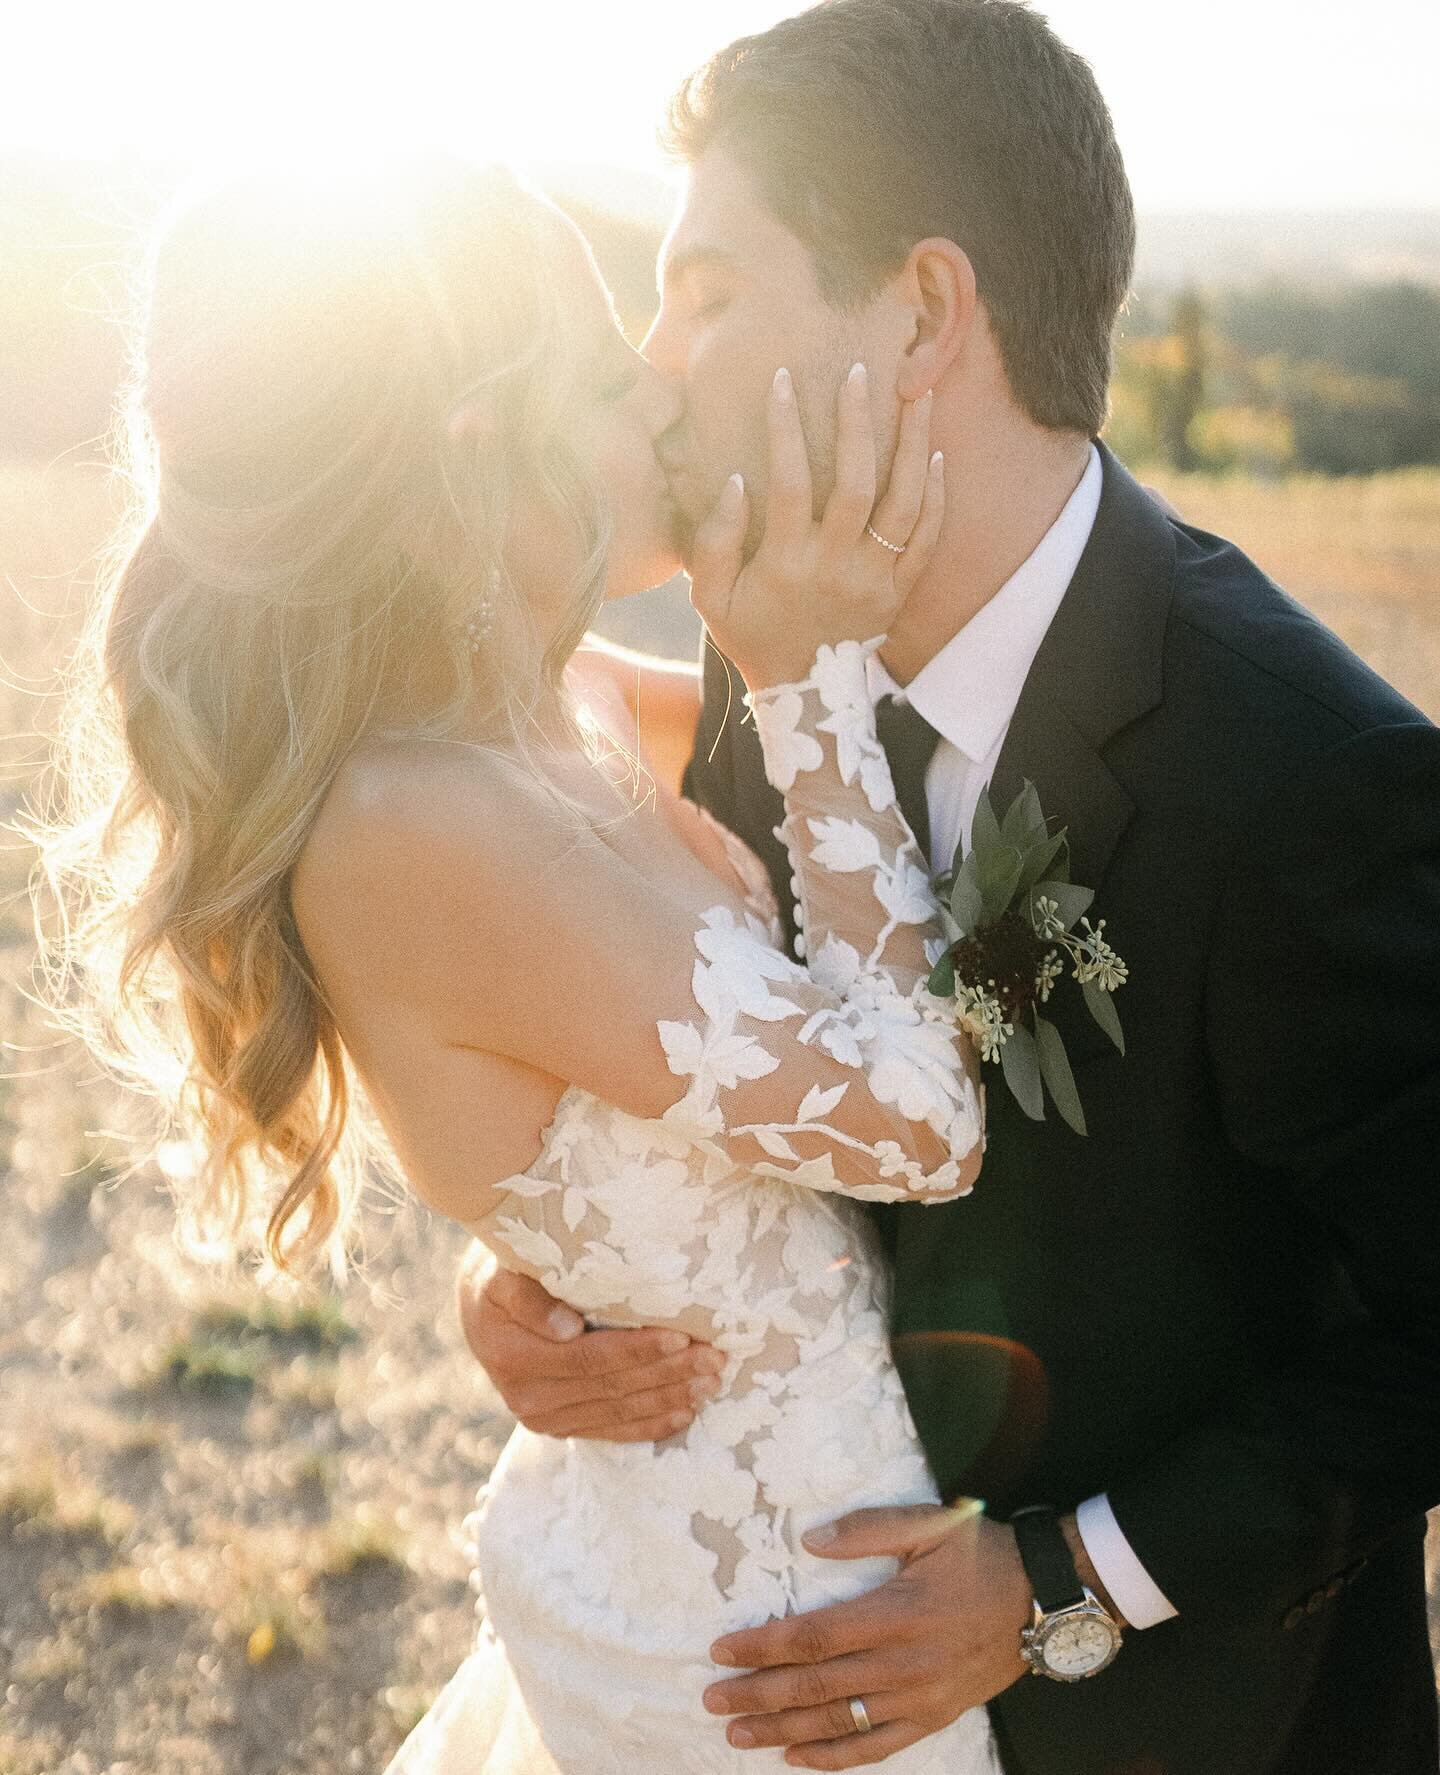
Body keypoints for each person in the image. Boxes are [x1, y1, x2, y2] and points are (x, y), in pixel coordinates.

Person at [460, 2, 1440, 1771]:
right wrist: (553, 1285)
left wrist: (1066, 1579)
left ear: (922, 314)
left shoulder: (1313, 776)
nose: (657, 363)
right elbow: (754, 1091)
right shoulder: (775, 661)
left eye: (706, 291)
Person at [36, 153, 1012, 1772]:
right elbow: (919, 1123)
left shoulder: (543, 703)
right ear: (486, 449)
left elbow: (644, 1036)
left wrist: (546, 1262)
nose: (669, 403)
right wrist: (807, 676)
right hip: (771, 1653)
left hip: (800, 1562)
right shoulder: (414, 821)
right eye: (614, 381)